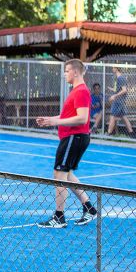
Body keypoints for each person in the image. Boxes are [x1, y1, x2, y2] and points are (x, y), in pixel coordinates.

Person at [35, 59, 99, 229]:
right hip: (73, 137)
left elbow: (82, 118)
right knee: (67, 174)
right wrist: (51, 120)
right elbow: (67, 116)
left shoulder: (81, 92)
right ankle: (89, 208)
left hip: (74, 137)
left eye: (67, 71)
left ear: (75, 72)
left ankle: (59, 217)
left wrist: (55, 122)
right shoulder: (76, 91)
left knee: (60, 174)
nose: (65, 74)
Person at [106, 66, 133, 137]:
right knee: (124, 117)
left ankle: (108, 134)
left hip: (118, 101)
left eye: (113, 67)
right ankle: (131, 133)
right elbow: (119, 90)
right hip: (120, 100)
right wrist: (112, 90)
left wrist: (114, 96)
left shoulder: (121, 78)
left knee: (112, 116)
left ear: (116, 68)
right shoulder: (119, 78)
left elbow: (124, 90)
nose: (112, 69)